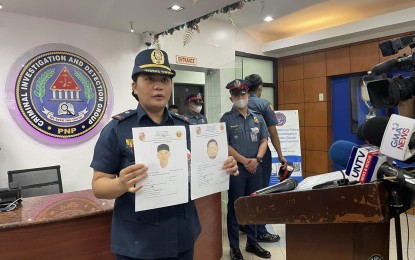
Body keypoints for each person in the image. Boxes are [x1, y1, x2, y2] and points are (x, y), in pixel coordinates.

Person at [90, 48, 239, 260]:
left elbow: (201, 171)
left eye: (165, 79)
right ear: (134, 86)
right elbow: (98, 185)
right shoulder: (117, 129)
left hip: (182, 236)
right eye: (149, 79)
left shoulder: (187, 127)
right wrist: (120, 184)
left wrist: (223, 166)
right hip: (138, 242)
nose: (158, 86)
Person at [220, 79, 271, 260]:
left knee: (252, 207)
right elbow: (224, 145)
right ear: (231, 98)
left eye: (243, 94)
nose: (240, 97)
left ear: (248, 95)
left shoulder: (257, 117)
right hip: (237, 171)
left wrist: (256, 160)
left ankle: (252, 242)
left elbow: (264, 140)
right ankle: (234, 248)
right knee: (235, 208)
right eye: (236, 94)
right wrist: (244, 161)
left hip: (256, 168)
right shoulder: (226, 119)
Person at [244, 73, 288, 243]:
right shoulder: (264, 104)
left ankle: (245, 224)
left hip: (243, 154)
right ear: (260, 88)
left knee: (247, 191)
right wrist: (281, 155)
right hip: (261, 154)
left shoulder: (241, 103)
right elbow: (273, 133)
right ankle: (260, 230)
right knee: (261, 191)